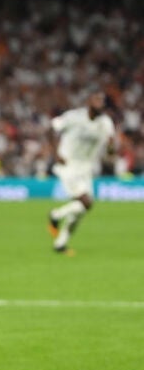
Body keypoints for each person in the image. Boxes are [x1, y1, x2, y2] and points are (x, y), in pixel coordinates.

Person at [47, 89, 116, 255]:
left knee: (82, 210)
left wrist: (110, 149)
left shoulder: (105, 123)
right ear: (89, 102)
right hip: (69, 165)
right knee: (86, 202)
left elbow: (111, 143)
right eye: (97, 100)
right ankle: (55, 215)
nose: (100, 103)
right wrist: (55, 153)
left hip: (86, 167)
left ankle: (60, 244)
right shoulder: (74, 117)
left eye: (102, 100)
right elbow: (51, 129)